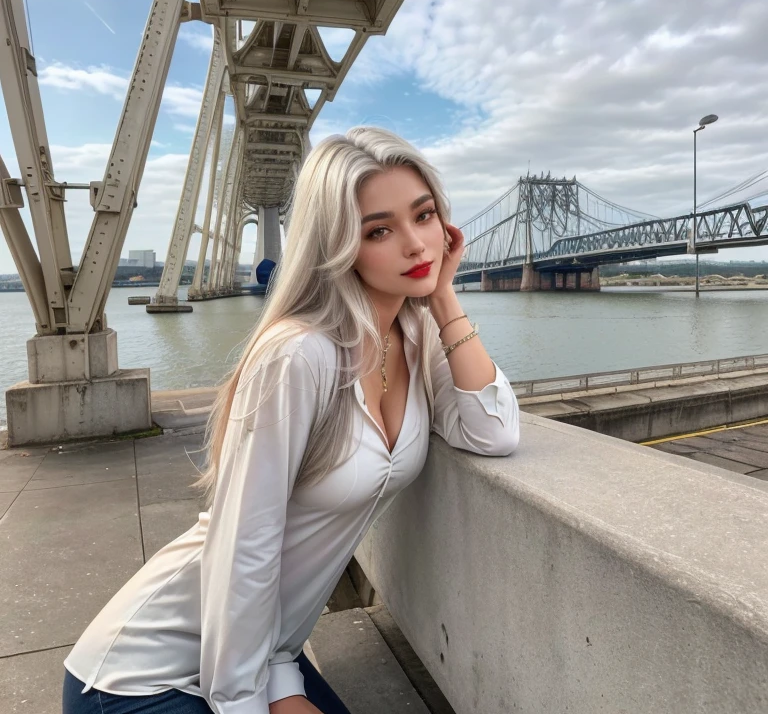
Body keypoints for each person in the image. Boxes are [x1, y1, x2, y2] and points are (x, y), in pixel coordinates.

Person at [61, 127, 520, 714]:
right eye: (379, 229)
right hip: (148, 674)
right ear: (337, 246)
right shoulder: (299, 354)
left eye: (424, 215)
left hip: (269, 649)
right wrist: (255, 698)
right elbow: (245, 545)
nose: (415, 245)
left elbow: (494, 431)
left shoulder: (414, 332)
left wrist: (445, 297)